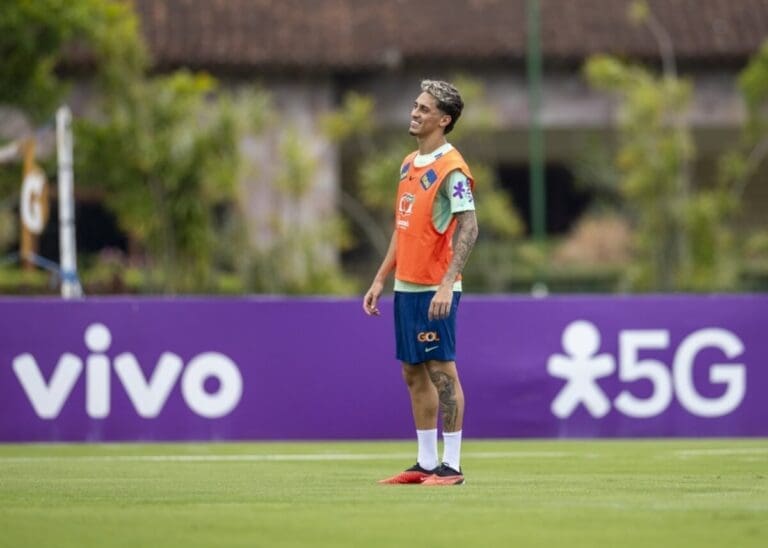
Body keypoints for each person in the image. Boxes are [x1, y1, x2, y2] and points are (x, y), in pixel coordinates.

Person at [363, 79, 478, 486]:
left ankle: (453, 465)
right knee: (413, 372)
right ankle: (426, 462)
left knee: (442, 372)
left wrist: (447, 284)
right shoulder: (408, 164)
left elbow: (470, 227)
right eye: (415, 105)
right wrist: (381, 278)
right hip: (406, 286)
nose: (415, 112)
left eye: (424, 108)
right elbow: (403, 227)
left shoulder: (453, 169)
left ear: (444, 120)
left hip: (434, 289)